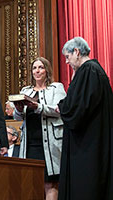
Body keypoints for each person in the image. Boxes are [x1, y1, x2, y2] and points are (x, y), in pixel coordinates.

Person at [58, 37, 113, 200]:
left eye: (67, 57)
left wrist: (61, 107)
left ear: (76, 52)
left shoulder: (88, 70)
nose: (67, 62)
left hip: (87, 145)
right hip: (97, 141)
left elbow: (76, 109)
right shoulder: (97, 70)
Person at [13, 57, 66, 200]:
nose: (37, 70)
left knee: (51, 183)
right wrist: (18, 110)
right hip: (30, 144)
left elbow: (61, 110)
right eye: (34, 68)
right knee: (31, 182)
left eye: (41, 67)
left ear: (47, 70)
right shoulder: (26, 90)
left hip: (50, 144)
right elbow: (18, 117)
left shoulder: (56, 88)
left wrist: (38, 107)